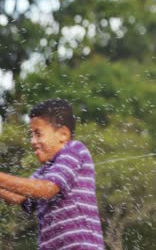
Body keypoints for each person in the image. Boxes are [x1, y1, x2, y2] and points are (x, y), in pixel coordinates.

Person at [0, 99, 104, 250]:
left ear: (63, 134)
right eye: (31, 135)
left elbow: (46, 190)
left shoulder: (74, 150)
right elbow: (19, 196)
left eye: (38, 134)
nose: (33, 141)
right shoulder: (45, 171)